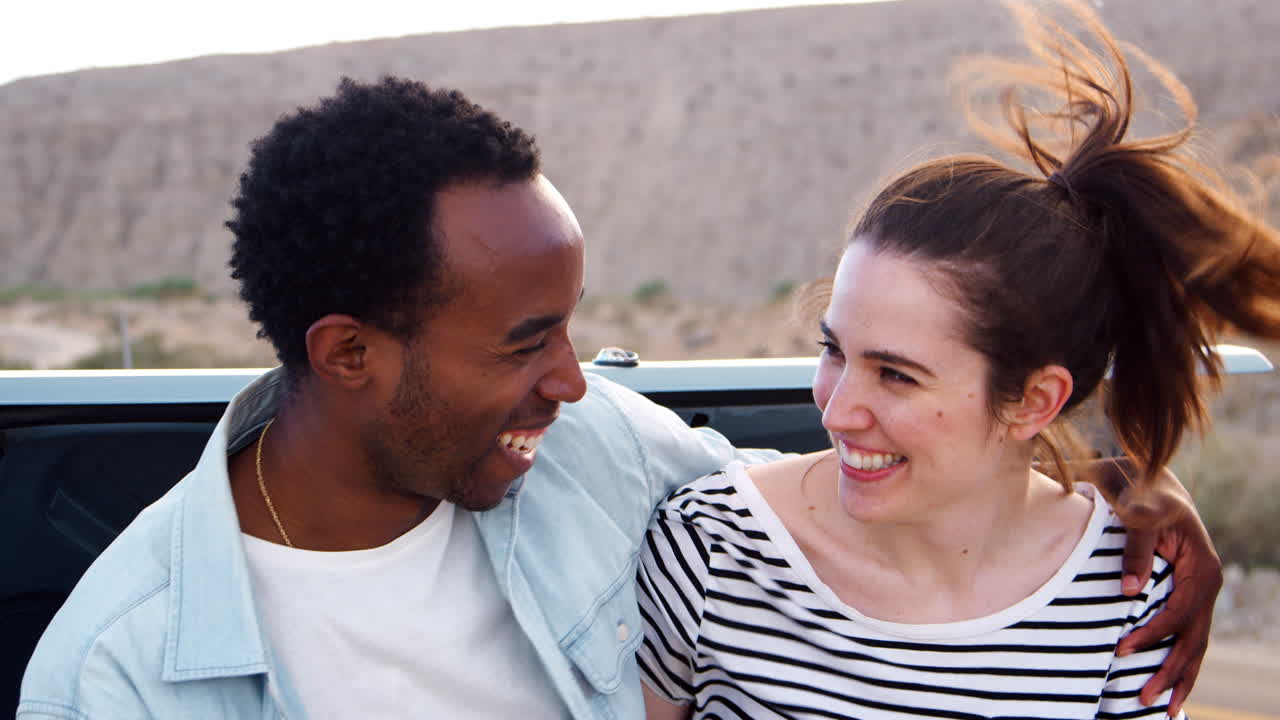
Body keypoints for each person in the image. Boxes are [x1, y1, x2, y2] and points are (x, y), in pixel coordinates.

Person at [20, 74, 1220, 718]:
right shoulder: (120, 678)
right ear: (349, 356)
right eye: (526, 340)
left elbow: (823, 502)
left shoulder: (587, 448)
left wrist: (1125, 491)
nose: (575, 380)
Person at [636, 2, 1280, 719]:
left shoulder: (1127, 589)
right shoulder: (711, 547)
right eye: (833, 349)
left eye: (897, 375)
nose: (837, 409)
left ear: (1035, 402)